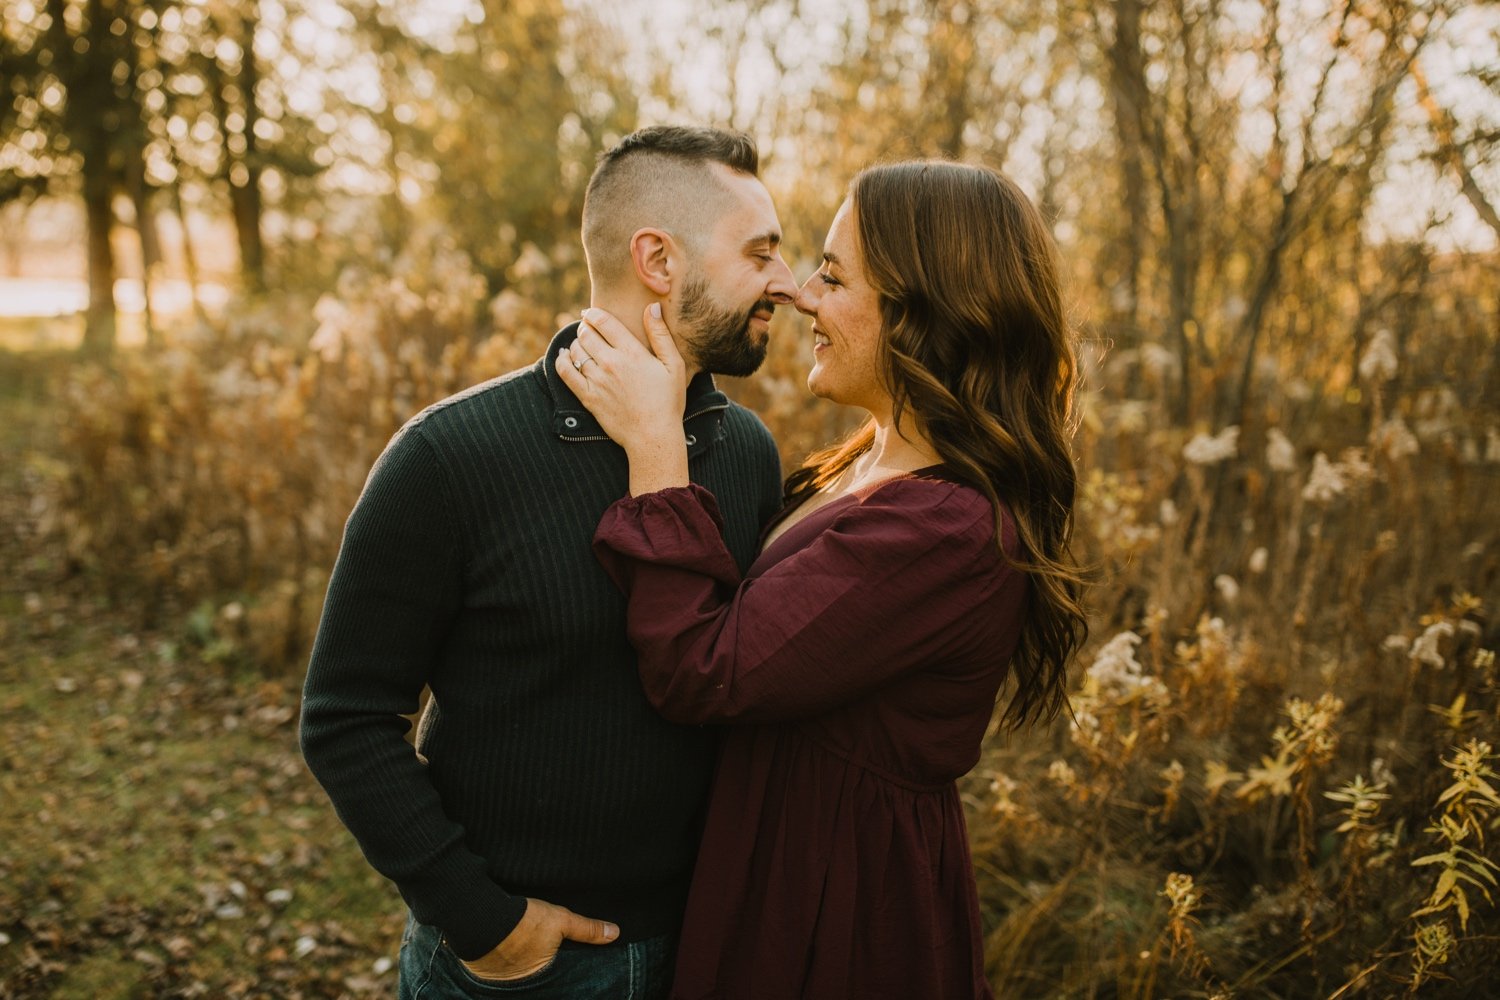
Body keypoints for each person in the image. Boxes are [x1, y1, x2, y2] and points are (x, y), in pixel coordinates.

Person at [556, 160, 1088, 999]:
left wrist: (656, 454)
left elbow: (706, 669)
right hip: (773, 859)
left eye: (835, 277)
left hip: (835, 911)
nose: (801, 294)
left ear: (925, 312)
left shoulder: (945, 530)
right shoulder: (865, 464)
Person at [299, 125, 798, 1000]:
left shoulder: (745, 452)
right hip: (521, 973)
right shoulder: (450, 457)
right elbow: (345, 717)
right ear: (659, 260)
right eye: (761, 254)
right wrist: (484, 922)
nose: (786, 284)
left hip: (711, 946)